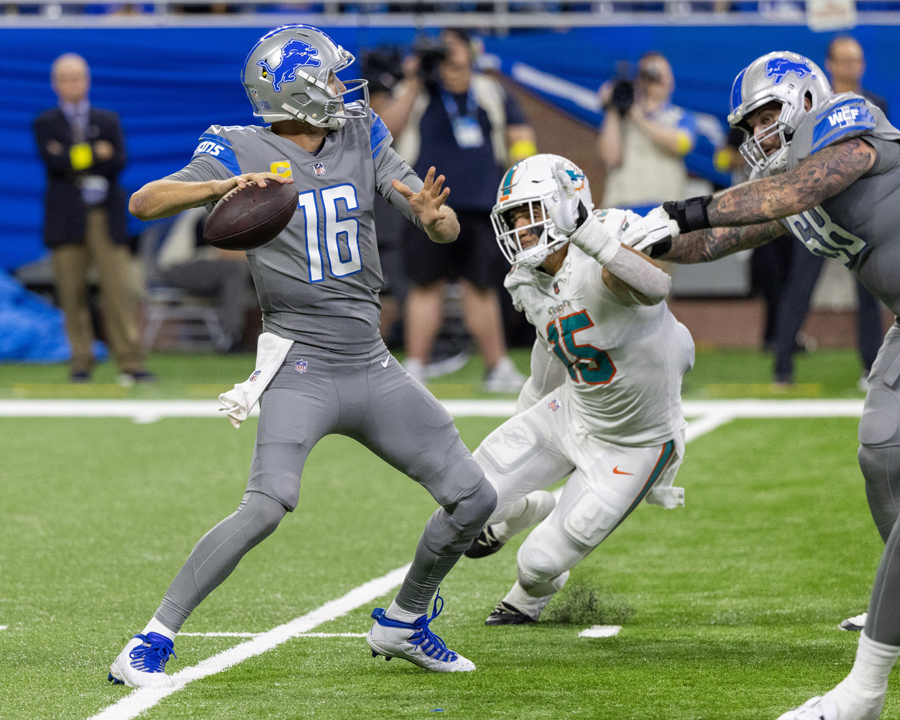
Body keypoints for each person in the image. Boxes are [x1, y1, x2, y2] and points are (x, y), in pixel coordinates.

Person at [108, 24, 497, 687]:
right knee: (266, 505)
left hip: (370, 361)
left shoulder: (360, 131)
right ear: (295, 92)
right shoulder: (236, 144)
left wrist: (437, 219)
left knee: (473, 497)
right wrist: (218, 188)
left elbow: (434, 215)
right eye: (330, 79)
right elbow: (145, 201)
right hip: (301, 363)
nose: (345, 90)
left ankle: (402, 623)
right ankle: (149, 640)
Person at [621, 50, 900, 720]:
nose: (759, 131)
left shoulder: (846, 124)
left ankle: (863, 690)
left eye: (768, 112)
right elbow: (720, 240)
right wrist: (616, 232)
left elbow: (791, 193)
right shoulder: (791, 181)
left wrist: (681, 209)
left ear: (807, 99)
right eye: (750, 122)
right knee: (882, 452)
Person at [462, 153, 692, 625]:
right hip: (574, 408)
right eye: (512, 218)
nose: (520, 229)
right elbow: (553, 346)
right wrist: (528, 413)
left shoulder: (602, 242)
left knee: (538, 564)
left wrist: (589, 233)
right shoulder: (526, 277)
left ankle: (529, 596)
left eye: (531, 214)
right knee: (465, 490)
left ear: (568, 207)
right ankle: (523, 510)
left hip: (635, 443)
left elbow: (655, 286)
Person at [385, 29, 538, 392]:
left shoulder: (489, 91)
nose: (448, 58)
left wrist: (520, 183)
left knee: (482, 287)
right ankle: (417, 366)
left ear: (470, 52)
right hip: (427, 205)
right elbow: (386, 131)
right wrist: (413, 81)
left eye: (453, 49)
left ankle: (497, 366)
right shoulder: (420, 91)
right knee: (425, 285)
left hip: (483, 203)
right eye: (441, 51)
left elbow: (519, 133)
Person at [771, 37, 888, 388]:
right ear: (831, 64)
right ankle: (782, 366)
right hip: (819, 209)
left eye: (857, 60)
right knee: (800, 287)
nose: (851, 67)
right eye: (845, 60)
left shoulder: (875, 104)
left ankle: (871, 368)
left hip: (862, 210)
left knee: (870, 291)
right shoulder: (812, 106)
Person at [33, 53, 153, 385]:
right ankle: (81, 360)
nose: (74, 84)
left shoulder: (108, 119)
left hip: (105, 215)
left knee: (119, 290)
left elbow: (117, 162)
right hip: (66, 218)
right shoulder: (46, 122)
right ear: (56, 83)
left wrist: (73, 153)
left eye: (79, 77)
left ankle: (131, 361)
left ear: (87, 80)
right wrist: (91, 152)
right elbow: (54, 163)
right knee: (71, 293)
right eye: (67, 78)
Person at [597, 52, 697, 213]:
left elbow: (681, 145)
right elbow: (610, 158)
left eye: (660, 74)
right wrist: (612, 108)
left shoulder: (680, 116)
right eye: (648, 75)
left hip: (663, 209)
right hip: (621, 208)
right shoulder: (622, 118)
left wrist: (639, 118)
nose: (656, 80)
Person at [153, 207, 253, 352]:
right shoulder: (210, 209)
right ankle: (230, 338)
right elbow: (224, 252)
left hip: (204, 266)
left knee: (255, 271)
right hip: (177, 266)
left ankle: (280, 336)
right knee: (235, 269)